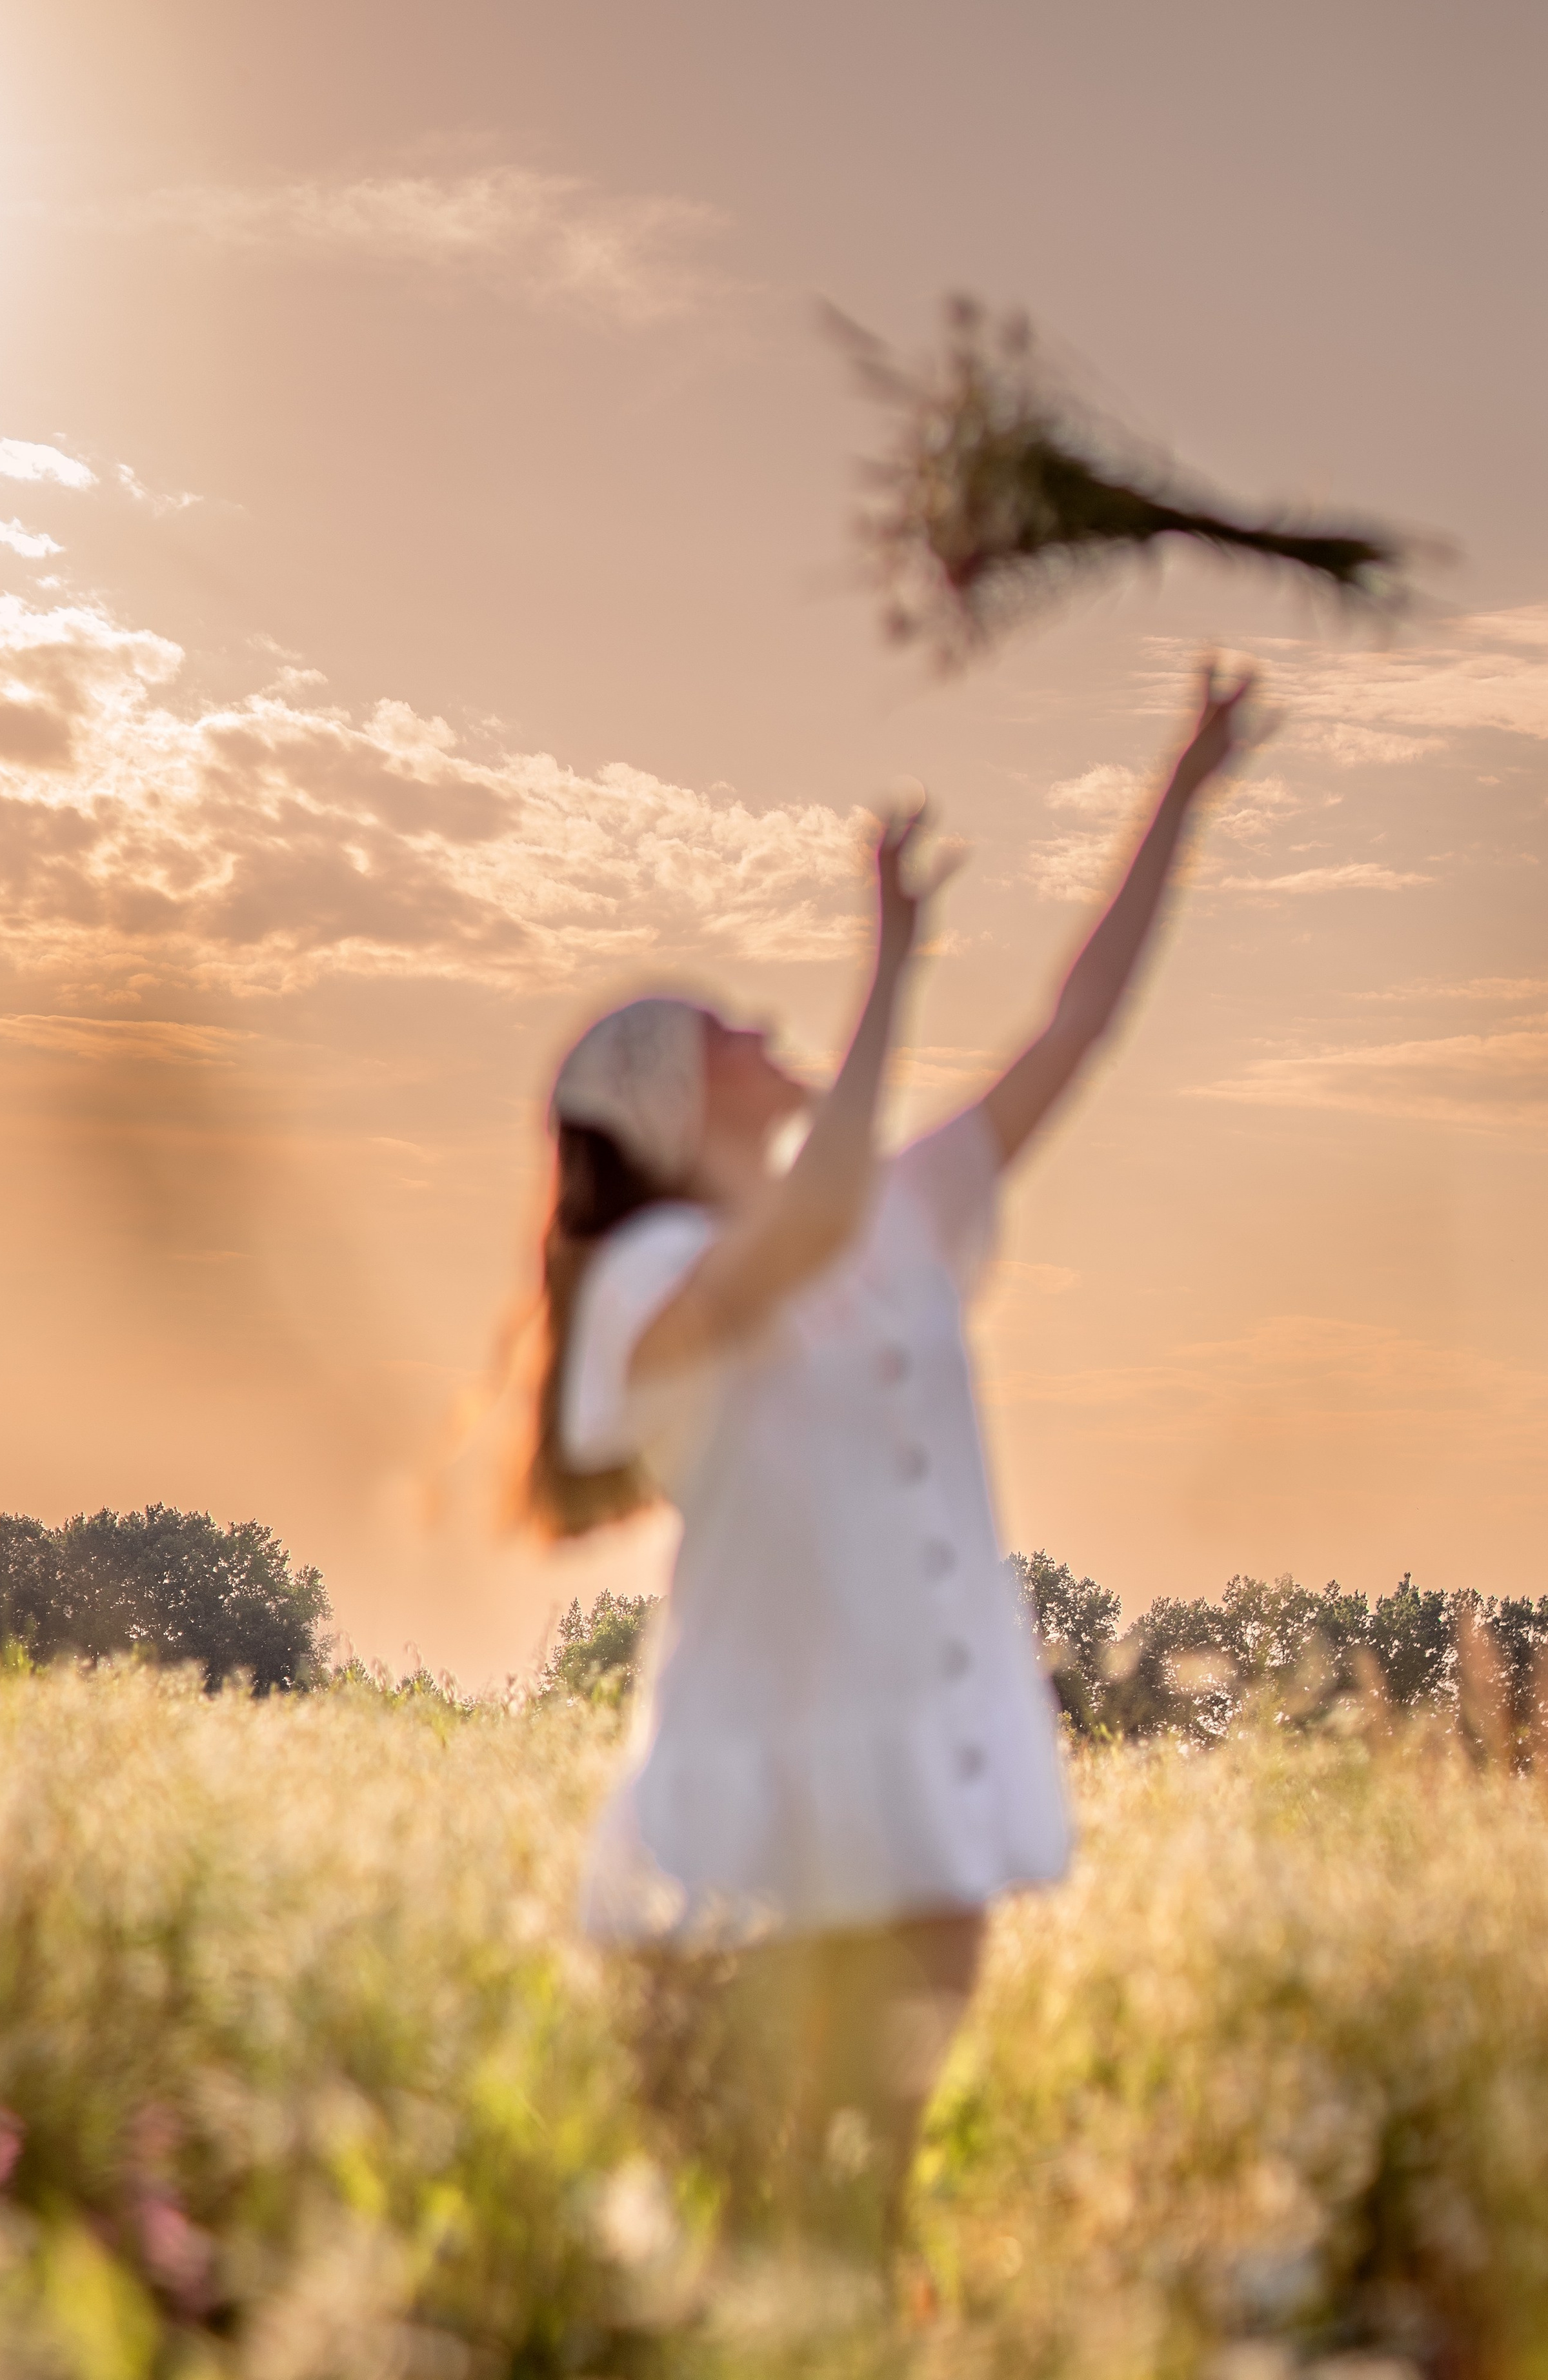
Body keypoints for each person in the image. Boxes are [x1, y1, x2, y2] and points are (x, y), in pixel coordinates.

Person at [527, 659, 1259, 2248]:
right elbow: (797, 1235)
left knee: (866, 2214)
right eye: (730, 1032)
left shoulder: (903, 1218)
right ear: (667, 1106)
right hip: (751, 1819)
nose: (767, 1031)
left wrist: (1179, 790)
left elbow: (1073, 1031)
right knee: (758, 2227)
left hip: (918, 1778)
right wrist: (891, 968)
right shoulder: (646, 1288)